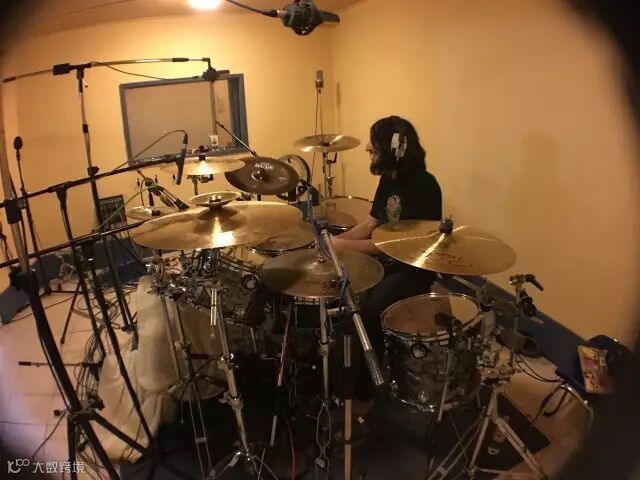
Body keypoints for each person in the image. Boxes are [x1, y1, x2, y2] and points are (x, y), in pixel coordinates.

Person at [331, 115, 442, 409]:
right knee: (339, 291)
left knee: (370, 312)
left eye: (374, 144)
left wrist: (342, 246)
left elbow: (391, 247)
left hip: (412, 268)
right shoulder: (389, 179)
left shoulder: (424, 185)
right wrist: (334, 240)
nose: (368, 148)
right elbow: (372, 224)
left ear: (394, 150)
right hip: (388, 259)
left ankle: (370, 386)